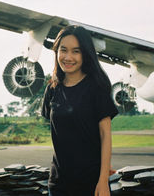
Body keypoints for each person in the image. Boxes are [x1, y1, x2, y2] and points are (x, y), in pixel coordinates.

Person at [41, 25, 119, 196]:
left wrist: (103, 180)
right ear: (57, 52)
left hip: (91, 184)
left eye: (76, 51)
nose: (68, 57)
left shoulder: (96, 87)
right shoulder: (52, 89)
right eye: (63, 50)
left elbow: (105, 135)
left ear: (85, 53)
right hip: (58, 185)